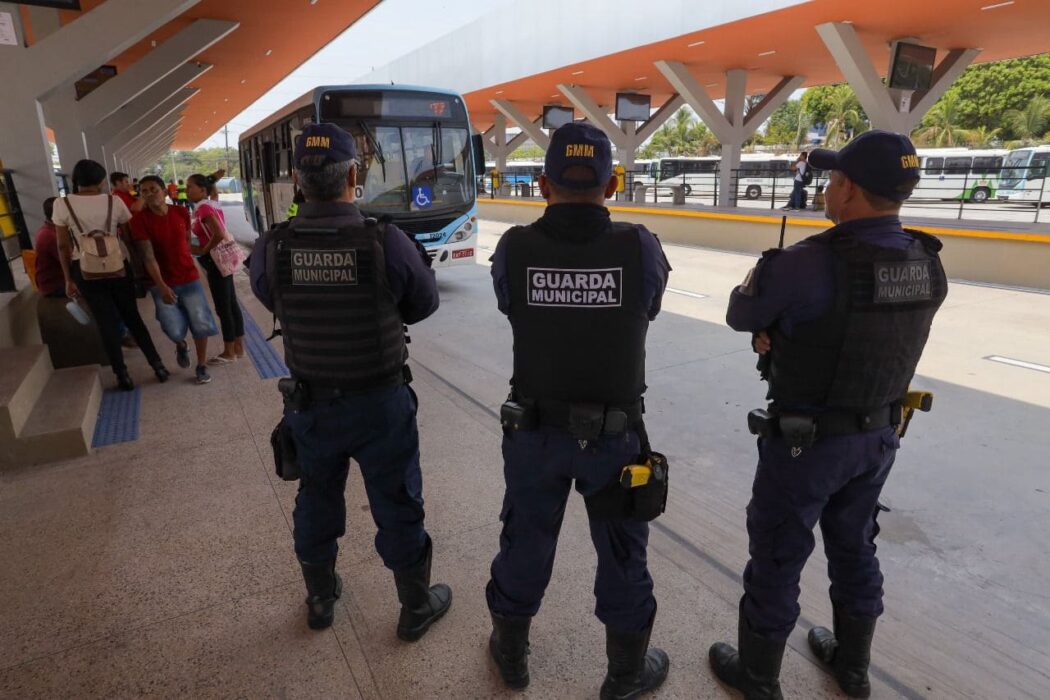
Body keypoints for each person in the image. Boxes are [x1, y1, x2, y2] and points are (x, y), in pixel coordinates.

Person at [710, 131, 948, 699]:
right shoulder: (927, 262)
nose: (826, 189)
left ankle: (759, 678)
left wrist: (775, 328)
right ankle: (853, 668)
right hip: (878, 439)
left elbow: (741, 313)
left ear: (847, 189)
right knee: (855, 545)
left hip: (806, 446)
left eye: (833, 180)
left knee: (778, 553)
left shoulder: (805, 264)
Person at [486, 123, 671, 698]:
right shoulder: (638, 245)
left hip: (535, 435)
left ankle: (512, 656)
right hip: (615, 439)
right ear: (612, 183)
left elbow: (507, 303)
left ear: (543, 184)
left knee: (526, 541)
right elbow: (652, 305)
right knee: (621, 552)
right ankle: (624, 675)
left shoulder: (515, 247)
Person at [249, 123, 449, 639]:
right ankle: (414, 605)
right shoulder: (385, 241)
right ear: (353, 175)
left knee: (316, 497)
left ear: (297, 179)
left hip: (312, 405)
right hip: (380, 403)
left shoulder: (275, 246)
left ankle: (320, 599)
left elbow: (275, 300)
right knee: (398, 501)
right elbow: (423, 305)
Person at [52, 159, 169, 390]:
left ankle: (122, 375)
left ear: (76, 180)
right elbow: (127, 236)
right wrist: (136, 268)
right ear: (101, 180)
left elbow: (63, 246)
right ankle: (158, 366)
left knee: (106, 323)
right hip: (118, 266)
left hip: (85, 269)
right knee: (132, 318)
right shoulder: (113, 201)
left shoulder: (61, 204)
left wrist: (68, 278)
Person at [130, 175, 220, 385]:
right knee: (173, 328)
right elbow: (148, 257)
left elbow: (186, 243)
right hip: (161, 282)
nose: (150, 194)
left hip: (189, 277)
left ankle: (201, 365)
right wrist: (161, 286)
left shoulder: (180, 212)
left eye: (153, 189)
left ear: (164, 191)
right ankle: (180, 344)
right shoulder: (140, 221)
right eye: (144, 191)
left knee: (200, 322)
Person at [186, 173, 245, 363]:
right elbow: (215, 195)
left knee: (223, 307)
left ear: (202, 190)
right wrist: (213, 181)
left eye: (190, 187)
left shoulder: (203, 208)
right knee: (232, 304)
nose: (186, 191)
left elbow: (218, 233)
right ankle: (238, 347)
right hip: (224, 258)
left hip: (215, 260)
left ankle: (229, 351)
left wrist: (204, 250)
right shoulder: (213, 203)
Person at [33, 197, 64, 298]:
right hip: (54, 286)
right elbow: (68, 261)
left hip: (48, 283)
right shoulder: (50, 236)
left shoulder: (47, 230)